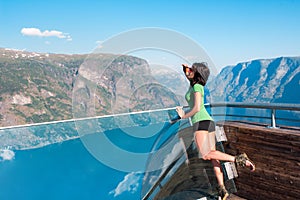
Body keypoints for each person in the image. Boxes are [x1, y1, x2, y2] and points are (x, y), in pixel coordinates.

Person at [176, 63, 255, 200]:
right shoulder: (194, 85)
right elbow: (189, 75)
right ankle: (222, 190)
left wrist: (183, 115)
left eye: (191, 70)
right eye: (187, 70)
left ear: (198, 73)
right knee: (214, 158)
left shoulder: (197, 87)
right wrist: (186, 68)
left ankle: (238, 159)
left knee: (205, 154)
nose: (187, 71)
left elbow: (196, 108)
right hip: (207, 122)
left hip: (201, 121)